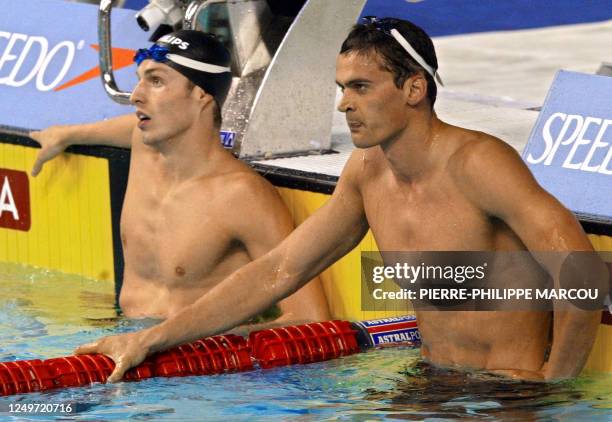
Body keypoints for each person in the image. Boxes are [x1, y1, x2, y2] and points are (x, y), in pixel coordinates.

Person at [75, 18, 608, 382]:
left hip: (506, 391)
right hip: (428, 380)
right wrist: (154, 339)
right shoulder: (367, 172)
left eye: (360, 87)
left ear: (414, 89)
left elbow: (581, 270)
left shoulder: (478, 163)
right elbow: (279, 270)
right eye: (341, 87)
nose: (343, 104)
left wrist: (551, 387)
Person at [29, 30, 330, 324]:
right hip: (126, 337)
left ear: (201, 96)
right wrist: (66, 134)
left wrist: (211, 349)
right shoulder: (146, 148)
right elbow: (130, 127)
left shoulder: (241, 196)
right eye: (140, 81)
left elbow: (310, 319)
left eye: (156, 81)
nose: (135, 96)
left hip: (196, 365)